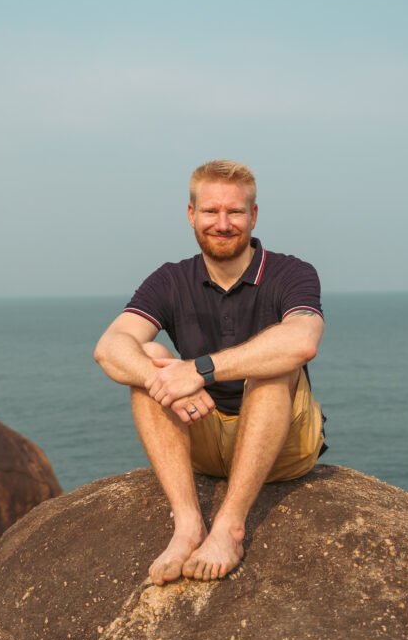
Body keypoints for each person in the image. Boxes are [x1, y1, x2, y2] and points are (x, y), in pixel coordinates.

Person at [93, 159, 326, 586]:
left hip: (282, 445)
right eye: (210, 212)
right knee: (146, 356)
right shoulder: (170, 279)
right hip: (204, 432)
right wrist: (161, 378)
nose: (223, 223)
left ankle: (229, 528)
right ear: (191, 215)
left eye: (235, 212)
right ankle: (187, 526)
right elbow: (109, 348)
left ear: (253, 216)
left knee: (273, 365)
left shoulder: (291, 272)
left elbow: (302, 341)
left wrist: (199, 371)